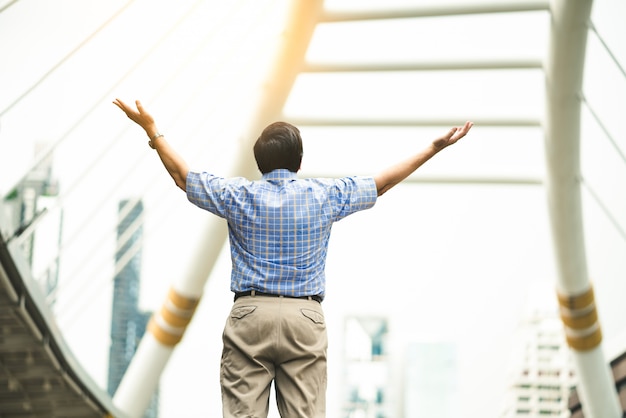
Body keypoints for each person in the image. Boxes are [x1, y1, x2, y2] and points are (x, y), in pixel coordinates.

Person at [113, 98, 473, 418]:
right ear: (299, 161)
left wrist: (153, 130)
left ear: (259, 163)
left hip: (250, 315)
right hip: (305, 317)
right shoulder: (324, 195)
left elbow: (182, 176)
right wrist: (433, 148)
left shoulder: (239, 195)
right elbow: (382, 183)